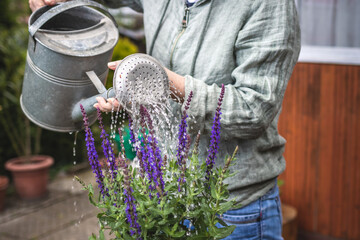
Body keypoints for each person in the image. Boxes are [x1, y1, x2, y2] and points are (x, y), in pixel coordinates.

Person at [30, 0, 301, 239]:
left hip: (231, 209)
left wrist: (163, 82)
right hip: (162, 197)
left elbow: (253, 110)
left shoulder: (269, 4)